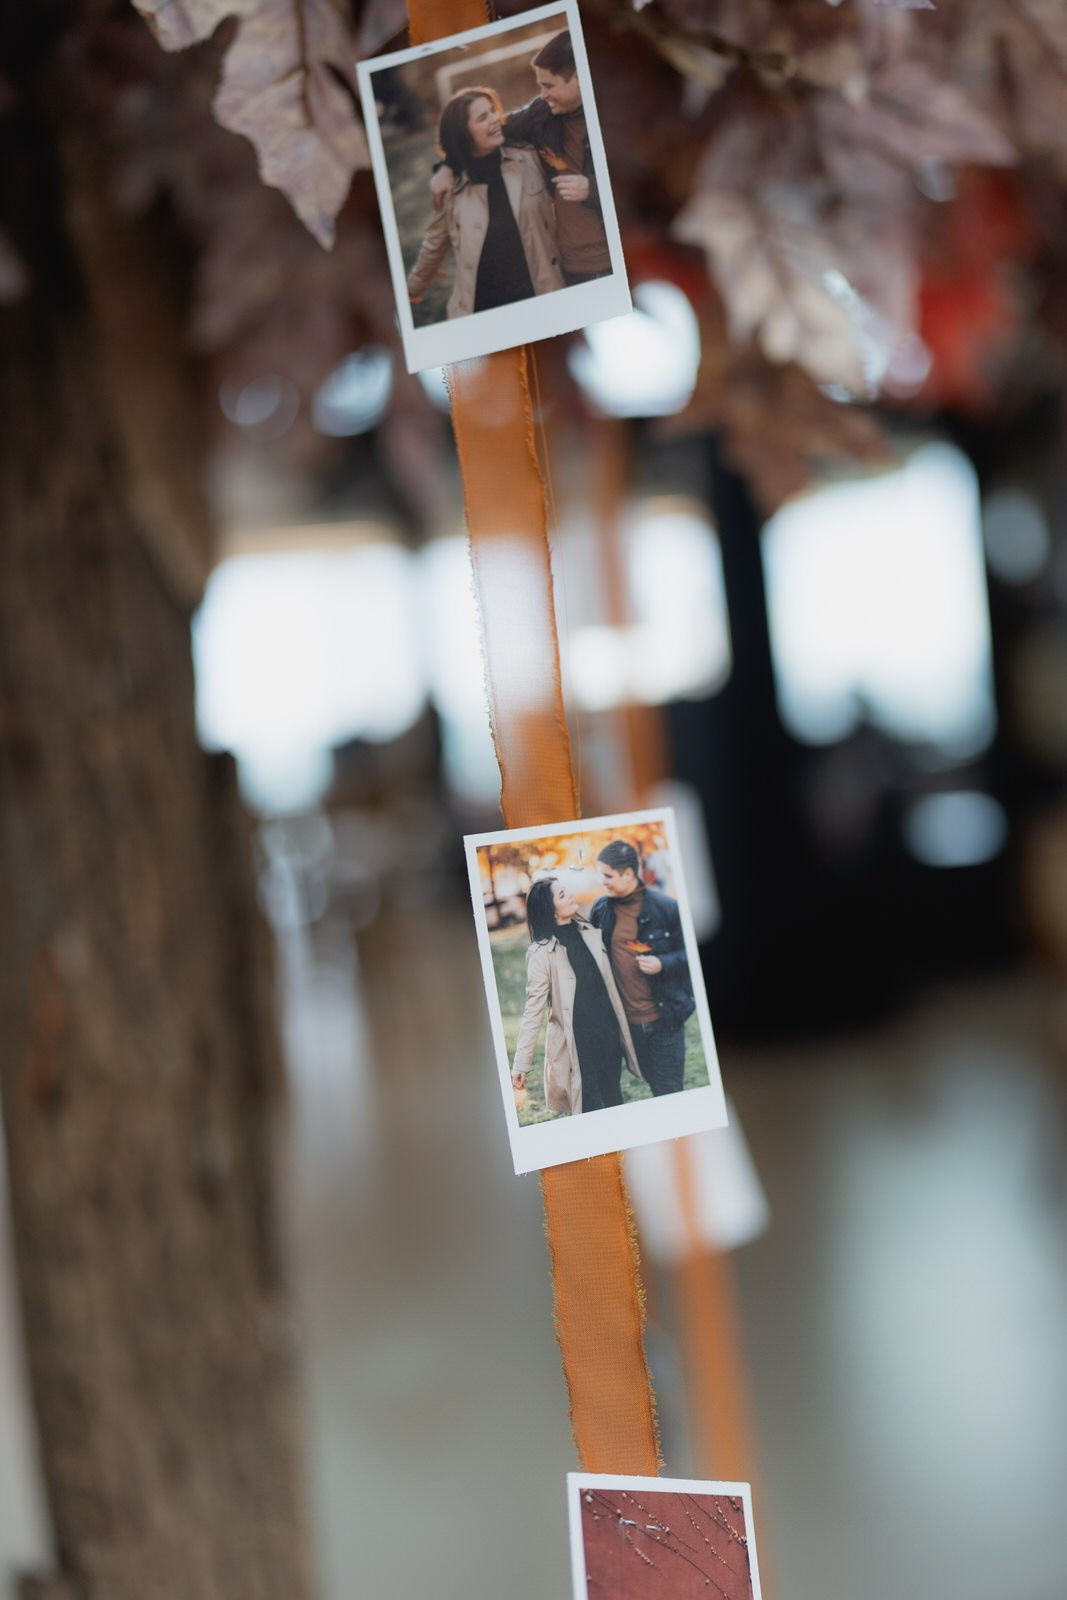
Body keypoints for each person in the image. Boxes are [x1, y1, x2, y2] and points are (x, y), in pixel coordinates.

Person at [430, 31, 611, 287]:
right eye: (540, 86)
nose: (542, 94)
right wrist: (448, 166)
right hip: (570, 268)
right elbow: (491, 135)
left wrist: (592, 188)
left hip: (617, 261)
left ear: (579, 79)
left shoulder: (614, 115)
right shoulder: (541, 112)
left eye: (549, 86)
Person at [407, 86, 565, 320]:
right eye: (483, 118)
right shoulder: (450, 186)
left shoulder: (528, 156)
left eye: (493, 111)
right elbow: (435, 241)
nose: (495, 119)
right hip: (482, 307)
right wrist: (412, 289)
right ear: (463, 135)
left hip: (540, 295)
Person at [511, 877, 641, 1116]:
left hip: (609, 1037)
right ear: (550, 910)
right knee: (590, 1111)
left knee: (615, 1100)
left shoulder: (589, 932)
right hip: (579, 1049)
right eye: (562, 895)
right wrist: (521, 1063)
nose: (570, 896)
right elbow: (533, 1011)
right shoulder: (541, 953)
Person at [591, 840, 695, 1097]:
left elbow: (692, 955)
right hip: (628, 1026)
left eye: (608, 876)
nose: (602, 882)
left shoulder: (667, 908)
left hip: (665, 1022)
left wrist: (663, 963)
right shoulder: (600, 910)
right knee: (653, 1086)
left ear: (628, 873)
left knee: (670, 1093)